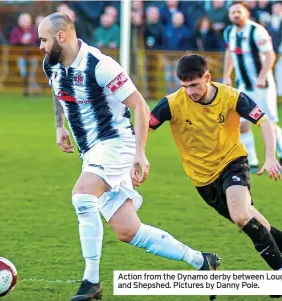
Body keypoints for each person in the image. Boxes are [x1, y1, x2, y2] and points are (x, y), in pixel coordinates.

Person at [38, 13, 220, 301]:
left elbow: (140, 106)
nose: (41, 46)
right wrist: (60, 126)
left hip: (116, 143)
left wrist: (140, 153)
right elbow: (58, 91)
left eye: (44, 39)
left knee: (82, 196)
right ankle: (202, 261)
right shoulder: (52, 64)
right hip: (91, 152)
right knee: (128, 230)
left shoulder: (100, 65)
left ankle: (91, 282)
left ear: (61, 37)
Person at [148, 54, 282, 297]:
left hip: (232, 163)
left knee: (241, 215)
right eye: (184, 86)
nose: (189, 92)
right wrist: (138, 154)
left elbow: (264, 122)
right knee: (261, 227)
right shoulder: (172, 103)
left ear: (207, 77)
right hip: (203, 180)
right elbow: (144, 126)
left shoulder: (231, 96)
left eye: (194, 85)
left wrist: (270, 156)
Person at [222, 1, 282, 173]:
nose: (236, 15)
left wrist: (262, 76)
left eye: (239, 11)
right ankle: (252, 161)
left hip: (263, 86)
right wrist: (226, 76)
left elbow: (270, 55)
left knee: (269, 122)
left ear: (246, 13)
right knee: (242, 122)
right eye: (232, 12)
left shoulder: (257, 30)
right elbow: (229, 53)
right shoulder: (229, 32)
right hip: (243, 85)